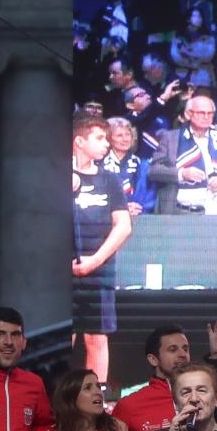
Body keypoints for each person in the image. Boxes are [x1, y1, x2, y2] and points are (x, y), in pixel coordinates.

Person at [72, 113, 133, 384]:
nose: (106, 144)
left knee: (97, 338)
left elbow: (123, 226)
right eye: (99, 138)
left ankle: (95, 399)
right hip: (61, 275)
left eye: (107, 139)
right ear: (79, 141)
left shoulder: (110, 180)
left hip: (99, 273)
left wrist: (95, 260)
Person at [149, 94, 217, 215]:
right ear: (188, 114)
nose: (206, 117)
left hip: (216, 208)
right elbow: (154, 171)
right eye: (201, 113)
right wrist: (182, 174)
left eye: (210, 113)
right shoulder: (170, 138)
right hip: (179, 209)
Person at [102, 117, 153, 217]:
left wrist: (138, 208)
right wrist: (121, 209)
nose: (125, 139)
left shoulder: (144, 165)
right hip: (106, 218)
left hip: (138, 217)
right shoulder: (98, 165)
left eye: (128, 135)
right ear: (109, 138)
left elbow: (151, 194)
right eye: (119, 135)